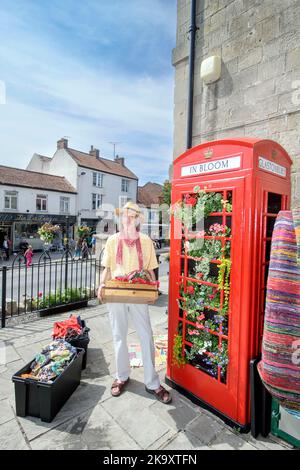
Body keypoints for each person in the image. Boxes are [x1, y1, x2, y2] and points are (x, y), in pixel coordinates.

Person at [98, 201, 172, 404]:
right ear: (121, 219)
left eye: (132, 216)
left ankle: (152, 383)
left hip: (138, 290)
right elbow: (106, 267)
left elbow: (150, 269)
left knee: (146, 334)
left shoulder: (146, 241)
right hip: (117, 291)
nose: (128, 219)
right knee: (118, 335)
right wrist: (100, 285)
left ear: (138, 220)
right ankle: (122, 376)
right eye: (125, 216)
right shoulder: (113, 240)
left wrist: (154, 287)